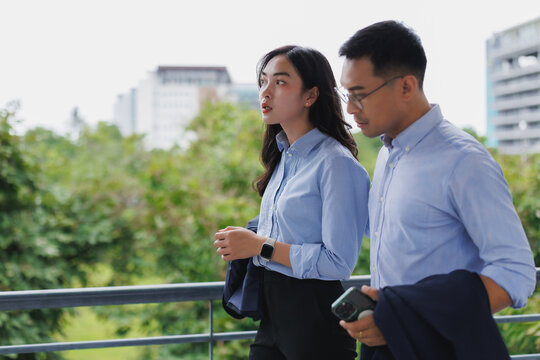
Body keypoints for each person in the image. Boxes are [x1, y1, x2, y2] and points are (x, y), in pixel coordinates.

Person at [336, 20, 536, 356]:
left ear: (406, 86)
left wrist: (406, 318)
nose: (350, 108)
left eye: (360, 95)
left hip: (440, 347)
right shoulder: (387, 156)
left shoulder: (464, 162)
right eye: (346, 95)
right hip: (387, 345)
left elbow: (515, 273)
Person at [213, 45, 370, 359]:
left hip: (315, 322)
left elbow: (338, 262)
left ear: (310, 96)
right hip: (273, 315)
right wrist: (245, 242)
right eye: (263, 81)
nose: (265, 92)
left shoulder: (335, 164)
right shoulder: (284, 157)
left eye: (280, 82)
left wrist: (259, 245)